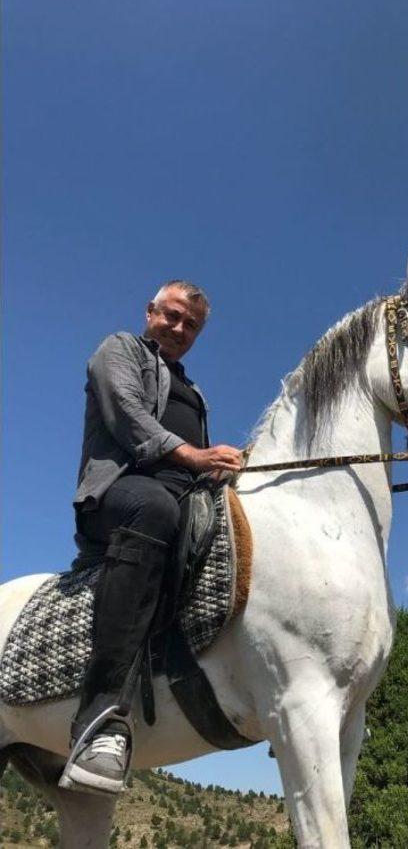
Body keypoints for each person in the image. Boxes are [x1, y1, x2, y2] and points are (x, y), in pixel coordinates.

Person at [60, 280, 243, 795]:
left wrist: (222, 471)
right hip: (119, 495)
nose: (181, 329)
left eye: (192, 326)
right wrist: (195, 456)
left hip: (184, 497)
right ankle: (98, 718)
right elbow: (127, 414)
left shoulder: (197, 393)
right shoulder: (118, 349)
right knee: (156, 507)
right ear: (150, 311)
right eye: (173, 316)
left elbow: (200, 466)